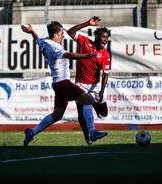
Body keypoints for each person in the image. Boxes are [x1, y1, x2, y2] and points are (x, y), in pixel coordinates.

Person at [21, 21, 108, 146]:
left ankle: (32, 132)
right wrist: (87, 55)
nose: (63, 36)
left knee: (57, 114)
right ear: (55, 34)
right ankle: (92, 132)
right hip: (63, 83)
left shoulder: (45, 42)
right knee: (87, 99)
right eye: (61, 33)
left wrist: (32, 32)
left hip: (58, 84)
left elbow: (37, 40)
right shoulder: (55, 47)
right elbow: (68, 54)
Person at [67, 16, 111, 145]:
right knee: (81, 113)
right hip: (80, 84)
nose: (105, 40)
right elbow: (70, 32)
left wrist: (101, 91)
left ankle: (93, 103)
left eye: (107, 38)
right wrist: (87, 23)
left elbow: (105, 74)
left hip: (96, 86)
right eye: (103, 37)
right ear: (97, 37)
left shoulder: (105, 54)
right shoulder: (84, 42)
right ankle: (88, 135)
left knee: (104, 113)